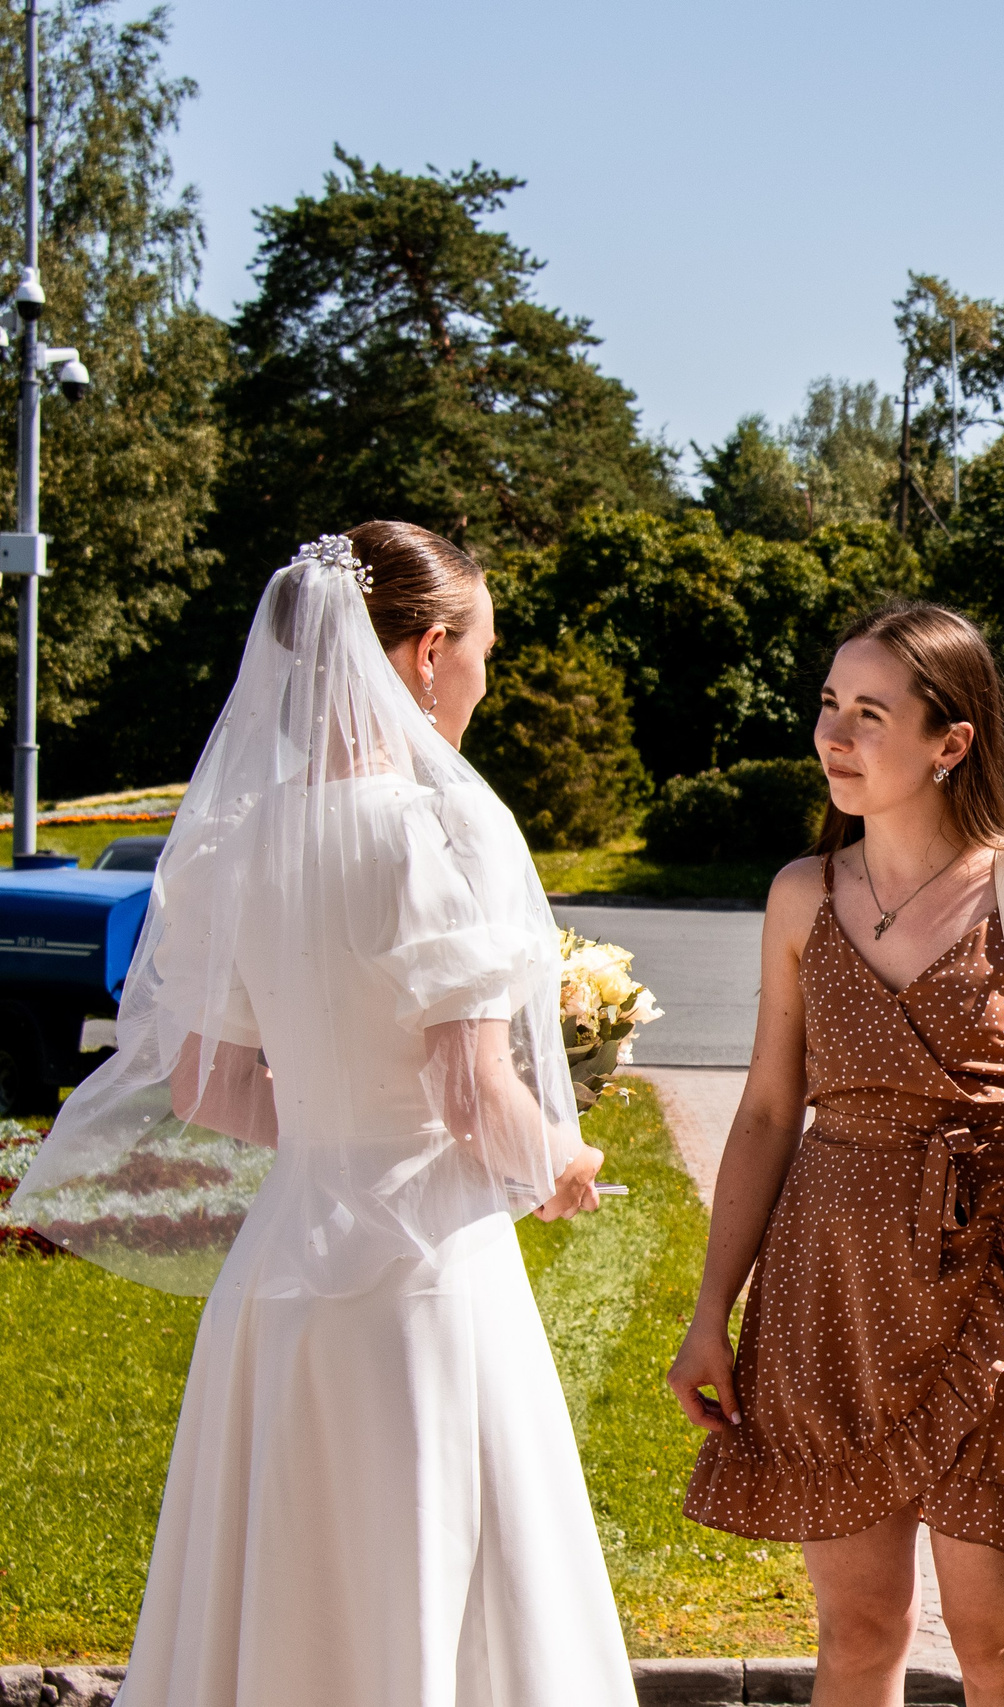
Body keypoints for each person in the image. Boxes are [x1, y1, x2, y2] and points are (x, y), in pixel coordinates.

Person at [13, 526, 629, 1707]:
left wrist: (344, 1119)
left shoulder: (244, 840)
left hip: (284, 1268)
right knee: (436, 1571)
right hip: (419, 1277)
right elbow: (470, 1092)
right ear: (428, 651)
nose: (486, 681)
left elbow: (210, 1087)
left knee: (282, 1587)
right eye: (484, 651)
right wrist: (562, 1155)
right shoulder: (435, 828)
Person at [668, 599, 1004, 1707]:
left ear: (950, 743)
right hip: (830, 1291)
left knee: (997, 1639)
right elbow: (767, 1111)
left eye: (870, 714)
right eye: (827, 707)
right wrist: (712, 1310)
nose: (834, 737)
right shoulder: (801, 895)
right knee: (859, 1631)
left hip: (994, 1287)